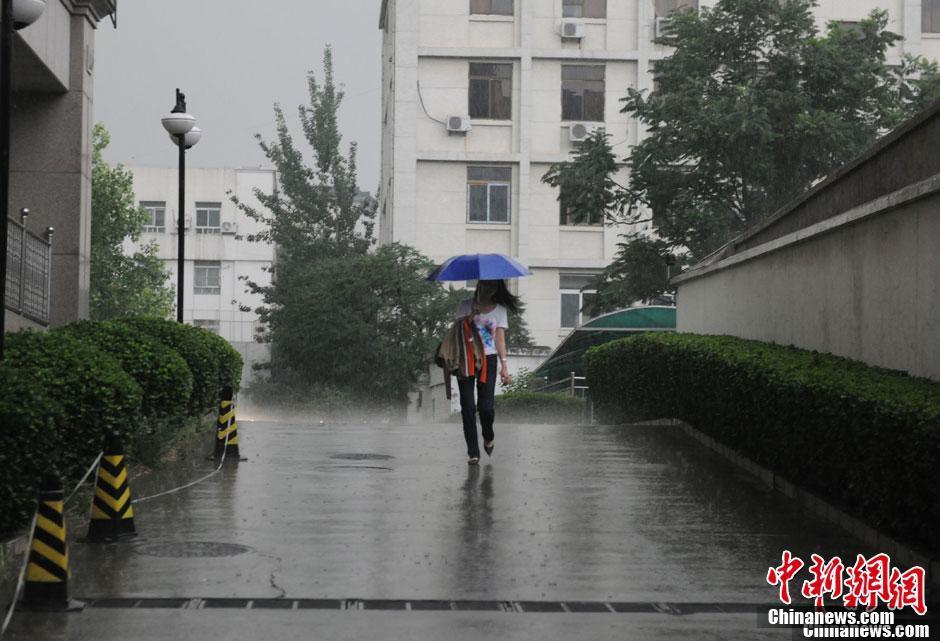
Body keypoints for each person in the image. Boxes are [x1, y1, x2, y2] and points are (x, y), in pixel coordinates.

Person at [456, 279, 518, 465]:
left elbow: (500, 340)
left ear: (496, 289)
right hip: (466, 358)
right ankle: (473, 452)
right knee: (467, 407)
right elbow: (457, 332)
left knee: (486, 408)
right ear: (479, 286)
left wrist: (504, 366)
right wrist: (470, 316)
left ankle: (488, 436)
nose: (487, 289)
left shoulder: (500, 310)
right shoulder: (465, 305)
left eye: (492, 286)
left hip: (488, 360)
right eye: (485, 285)